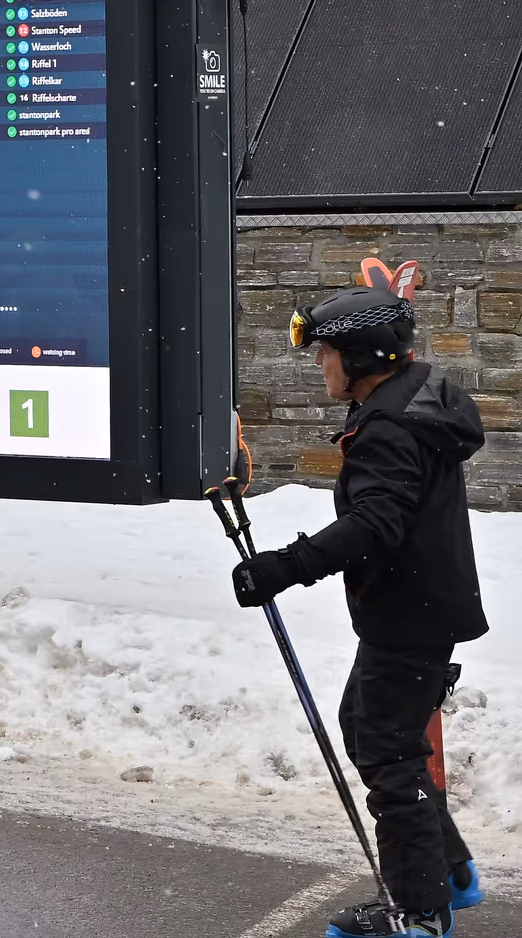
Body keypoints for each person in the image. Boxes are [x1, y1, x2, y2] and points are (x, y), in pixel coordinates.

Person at [231, 285, 489, 938]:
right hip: (419, 604)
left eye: (325, 354)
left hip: (409, 613)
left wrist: (283, 567)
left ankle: (421, 911)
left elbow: (376, 522)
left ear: (361, 354)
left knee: (388, 758)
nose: (320, 366)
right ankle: (451, 874)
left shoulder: (388, 424)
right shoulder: (418, 392)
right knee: (367, 728)